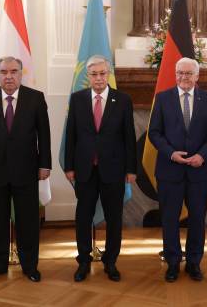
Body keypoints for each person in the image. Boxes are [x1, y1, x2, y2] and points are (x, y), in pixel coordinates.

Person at [0, 56, 51, 283]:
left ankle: (30, 266)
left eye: (14, 71)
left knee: (28, 221)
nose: (9, 76)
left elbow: (43, 135)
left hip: (27, 171)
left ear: (21, 73)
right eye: (4, 72)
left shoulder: (35, 98)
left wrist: (44, 164)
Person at [148, 57, 207, 282]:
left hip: (198, 171)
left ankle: (193, 263)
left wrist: (202, 154)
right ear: (175, 74)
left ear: (197, 76)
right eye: (180, 73)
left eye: (189, 73)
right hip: (170, 170)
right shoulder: (162, 98)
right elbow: (154, 132)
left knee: (197, 219)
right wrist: (171, 152)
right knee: (169, 219)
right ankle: (172, 262)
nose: (184, 77)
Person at [64, 55, 136, 282]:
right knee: (83, 216)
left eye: (102, 73)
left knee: (114, 217)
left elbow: (129, 137)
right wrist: (69, 166)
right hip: (84, 169)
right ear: (88, 76)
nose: (98, 78)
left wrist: (131, 169)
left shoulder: (122, 100)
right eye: (94, 74)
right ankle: (83, 261)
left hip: (113, 169)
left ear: (109, 74)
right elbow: (71, 135)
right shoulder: (77, 99)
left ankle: (111, 261)